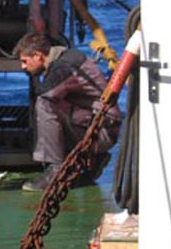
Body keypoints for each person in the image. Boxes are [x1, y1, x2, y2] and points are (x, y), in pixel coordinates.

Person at [13, 32, 121, 192]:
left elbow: (44, 93)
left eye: (25, 61)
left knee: (45, 104)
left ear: (37, 56)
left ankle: (55, 170)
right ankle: (94, 159)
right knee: (56, 102)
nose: (22, 67)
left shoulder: (63, 68)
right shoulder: (66, 58)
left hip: (102, 132)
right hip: (102, 125)